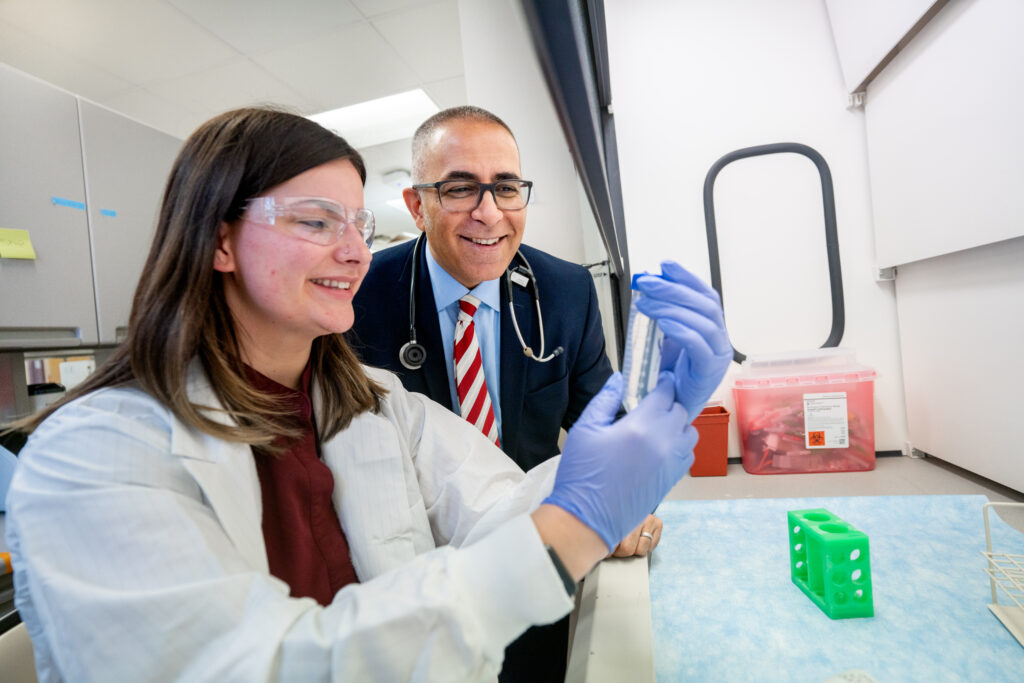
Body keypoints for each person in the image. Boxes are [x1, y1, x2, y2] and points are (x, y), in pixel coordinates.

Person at [3, 106, 732, 682]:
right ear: (218, 241)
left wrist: (653, 408)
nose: (355, 252)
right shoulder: (94, 456)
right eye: (317, 222)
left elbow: (499, 503)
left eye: (358, 223)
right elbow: (256, 664)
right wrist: (570, 529)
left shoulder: (376, 404)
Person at [347, 106, 655, 681]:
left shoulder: (564, 290)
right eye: (460, 188)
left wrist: (626, 491)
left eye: (506, 187)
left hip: (534, 561)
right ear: (417, 206)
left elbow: (606, 423)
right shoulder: (359, 297)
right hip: (414, 575)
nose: (489, 213)